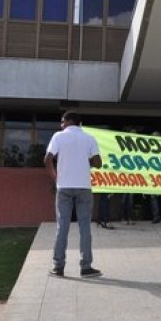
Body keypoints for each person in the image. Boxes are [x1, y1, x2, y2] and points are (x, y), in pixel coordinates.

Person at [44, 110, 102, 278]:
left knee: (62, 227)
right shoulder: (89, 138)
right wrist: (87, 160)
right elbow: (98, 163)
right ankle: (86, 267)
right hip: (84, 187)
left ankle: (58, 267)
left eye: (63, 121)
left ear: (69, 121)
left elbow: (47, 158)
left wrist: (55, 177)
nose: (61, 125)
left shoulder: (58, 136)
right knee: (85, 228)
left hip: (64, 187)